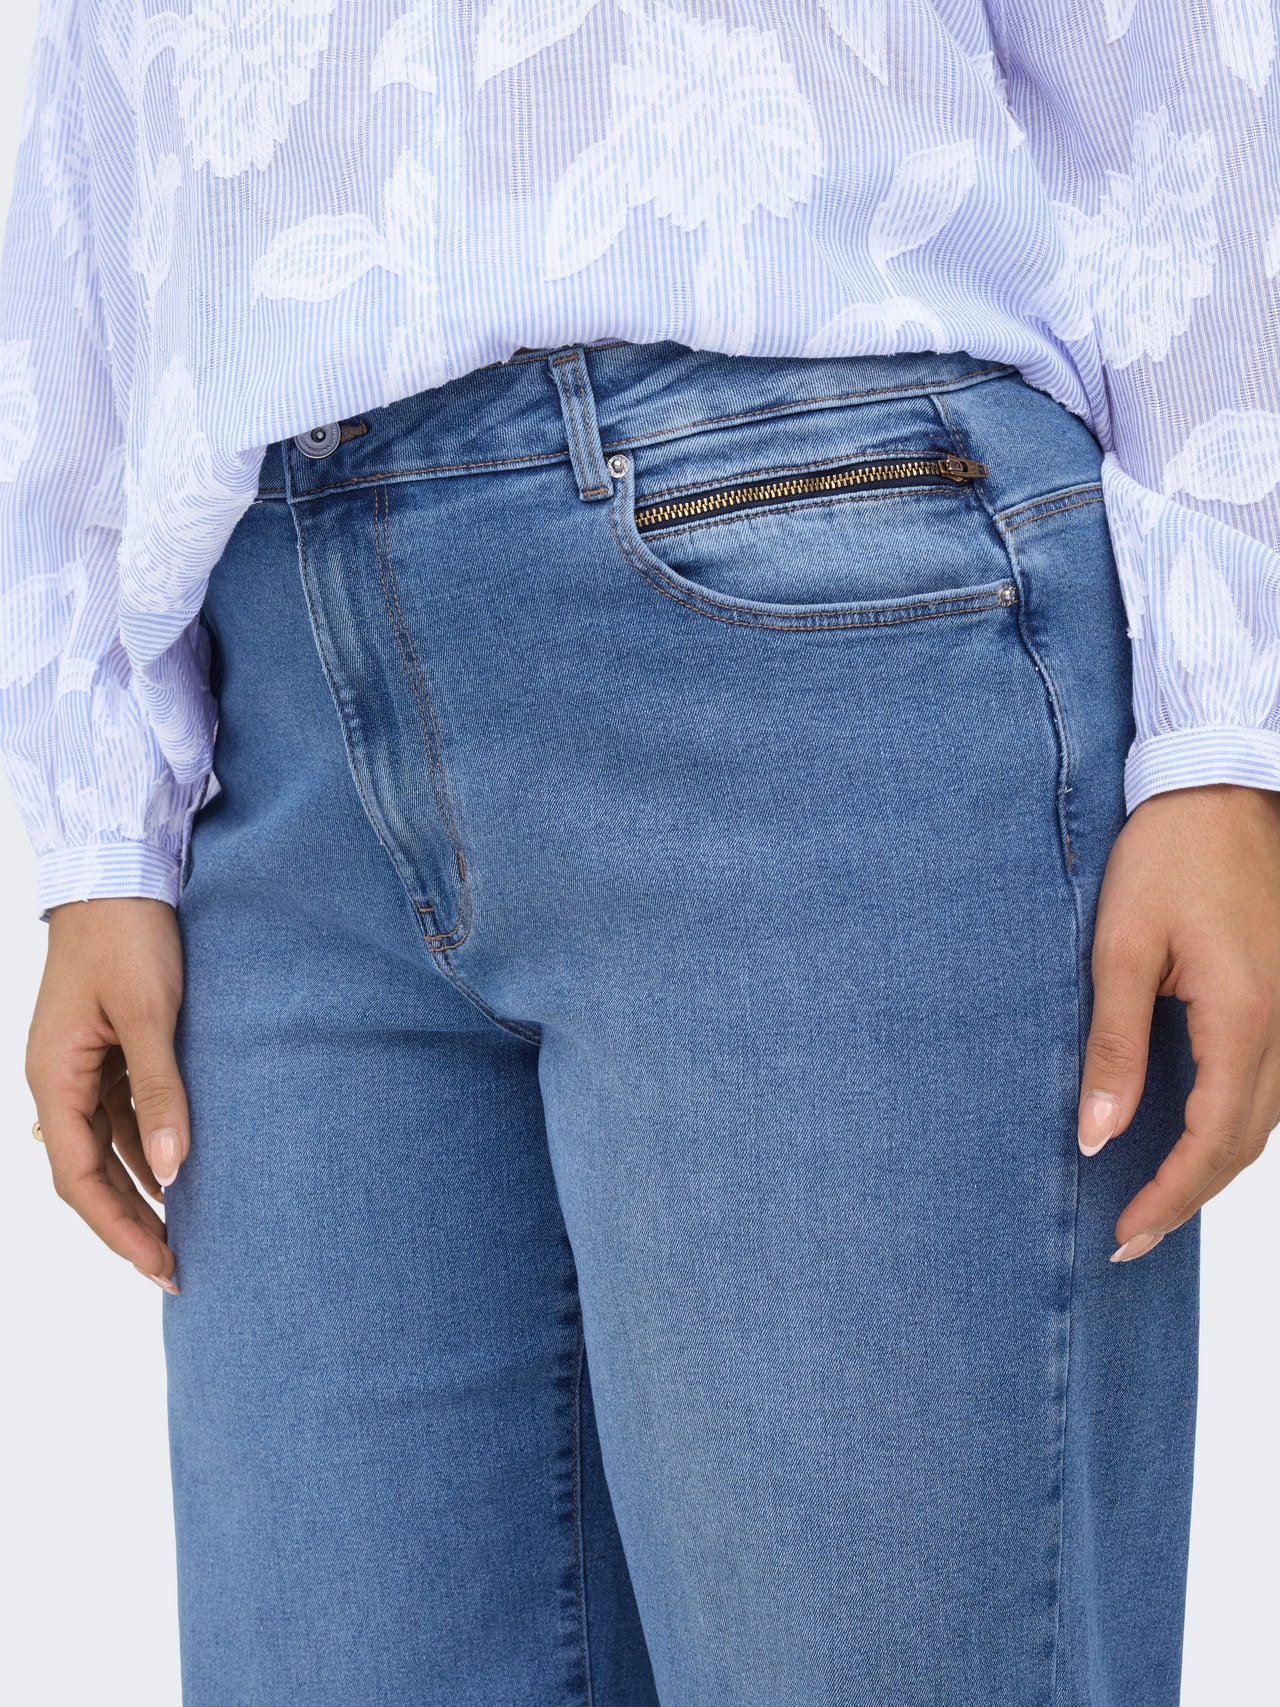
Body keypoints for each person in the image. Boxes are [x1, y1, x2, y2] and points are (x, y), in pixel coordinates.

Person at [3, 2, 1278, 1702]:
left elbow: (1181, 51)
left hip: (822, 585)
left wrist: (1228, 719)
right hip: (280, 698)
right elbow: (92, 105)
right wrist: (104, 812)